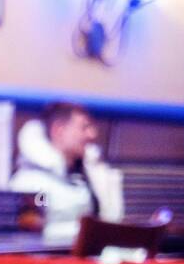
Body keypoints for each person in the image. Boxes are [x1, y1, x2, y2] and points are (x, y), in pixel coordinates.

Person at [9, 102, 123, 245]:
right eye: (84, 127)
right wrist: (87, 232)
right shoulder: (34, 182)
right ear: (59, 130)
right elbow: (34, 230)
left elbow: (111, 218)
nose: (92, 134)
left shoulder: (86, 174)